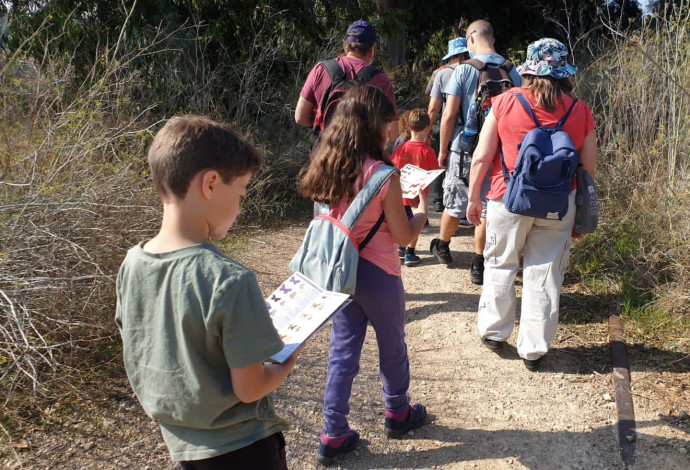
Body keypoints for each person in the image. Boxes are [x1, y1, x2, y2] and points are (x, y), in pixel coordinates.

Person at [115, 116, 300, 469]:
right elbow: (250, 389)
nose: (241, 206)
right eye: (242, 192)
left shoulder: (132, 264)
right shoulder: (229, 279)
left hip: (182, 445)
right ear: (211, 184)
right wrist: (286, 360)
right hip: (245, 451)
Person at [298, 85, 428, 466]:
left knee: (342, 352)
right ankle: (398, 412)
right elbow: (403, 236)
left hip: (340, 272)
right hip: (378, 273)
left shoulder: (326, 163)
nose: (393, 131)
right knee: (392, 345)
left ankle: (333, 432)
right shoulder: (383, 175)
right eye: (389, 124)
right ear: (375, 126)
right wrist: (420, 210)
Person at [466, 38, 597, 371]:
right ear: (564, 72)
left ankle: (495, 332)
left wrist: (472, 198)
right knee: (545, 275)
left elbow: (481, 157)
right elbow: (588, 171)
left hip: (507, 198)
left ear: (529, 69)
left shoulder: (505, 102)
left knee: (501, 264)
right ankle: (534, 349)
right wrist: (580, 215)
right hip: (558, 205)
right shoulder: (580, 112)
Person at [430, 20, 521, 287]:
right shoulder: (510, 70)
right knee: (484, 206)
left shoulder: (463, 70)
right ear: (492, 38)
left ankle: (443, 246)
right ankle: (478, 263)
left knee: (455, 200)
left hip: (465, 146)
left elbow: (448, 115)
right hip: (497, 148)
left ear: (470, 39)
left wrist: (443, 149)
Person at [295, 19, 399, 146]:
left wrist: (324, 122)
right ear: (372, 50)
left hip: (323, 156)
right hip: (361, 160)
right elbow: (393, 133)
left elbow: (300, 117)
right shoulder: (380, 80)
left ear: (346, 46)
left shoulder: (321, 69)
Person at [426, 37, 470, 213]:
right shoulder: (476, 71)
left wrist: (426, 130)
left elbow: (433, 108)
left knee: (441, 160)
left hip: (443, 126)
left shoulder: (440, 73)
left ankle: (439, 199)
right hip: (468, 127)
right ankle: (464, 203)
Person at [390, 108, 440, 266]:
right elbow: (434, 170)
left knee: (400, 220)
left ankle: (400, 246)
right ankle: (410, 253)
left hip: (401, 194)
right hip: (418, 197)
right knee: (415, 223)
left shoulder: (400, 148)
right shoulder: (428, 151)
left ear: (408, 128)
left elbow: (393, 166)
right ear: (427, 129)